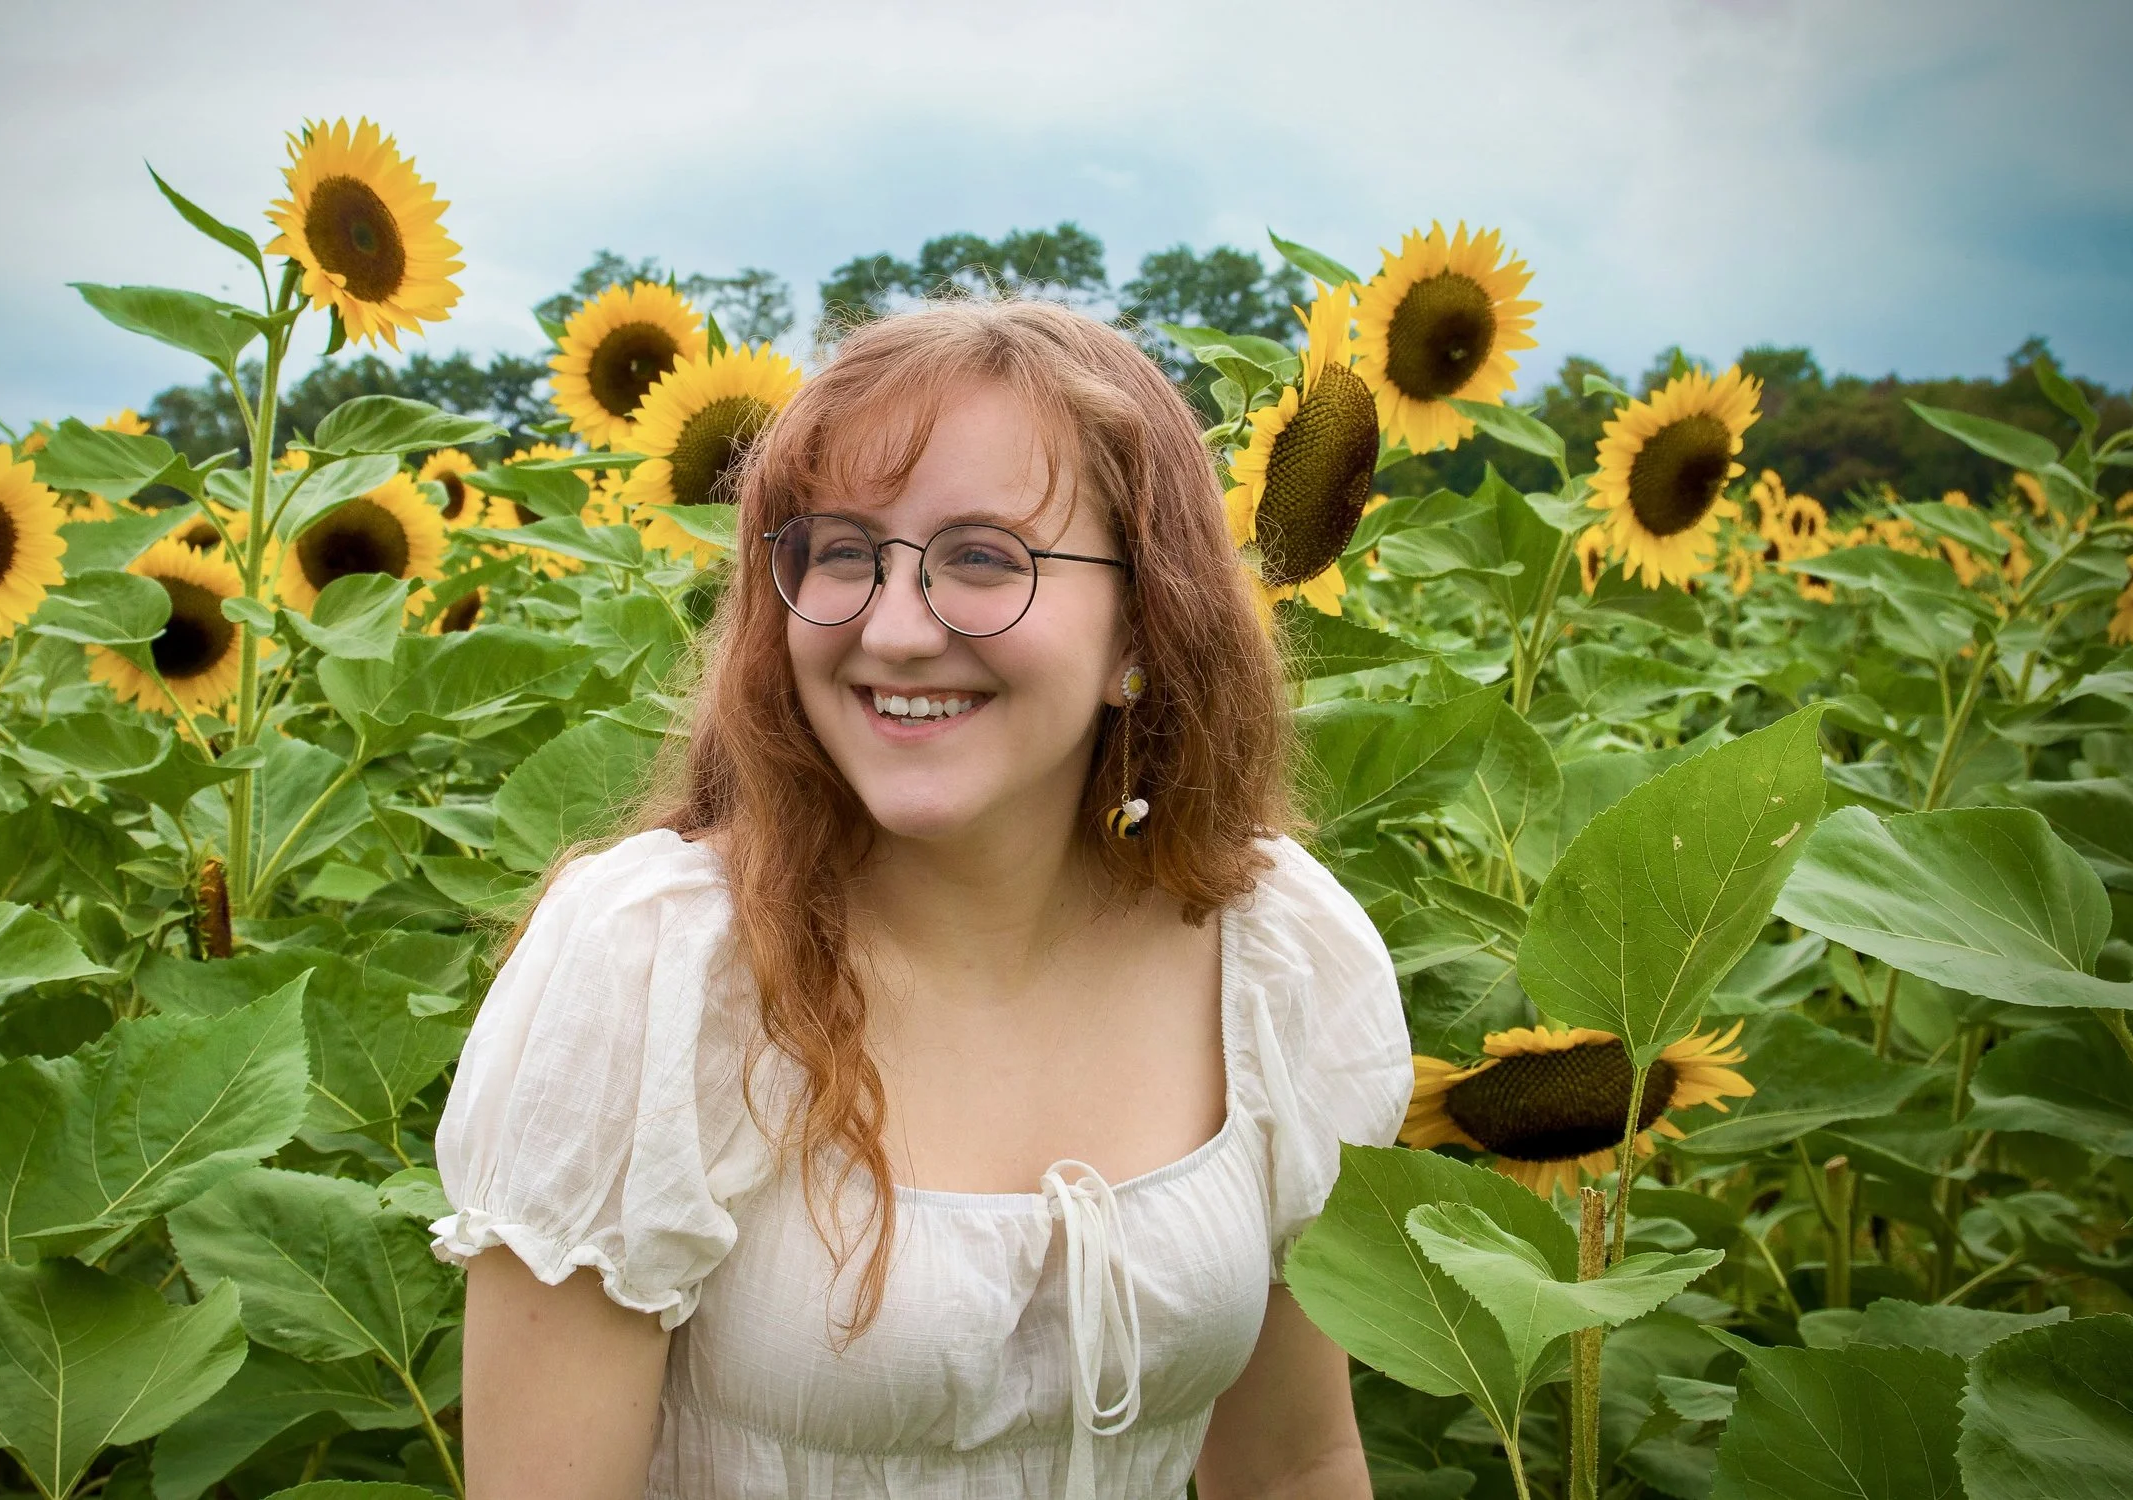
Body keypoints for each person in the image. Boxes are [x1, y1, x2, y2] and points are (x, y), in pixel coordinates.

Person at [432, 298, 1412, 1499]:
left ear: (1141, 627)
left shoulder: (1268, 954)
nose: (894, 630)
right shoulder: (660, 970)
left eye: (984, 558)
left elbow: (1292, 1463)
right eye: (841, 552)